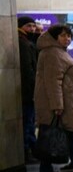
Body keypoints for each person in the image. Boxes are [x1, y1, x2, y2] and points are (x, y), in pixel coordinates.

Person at [33, 24, 73, 172]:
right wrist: (57, 106)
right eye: (63, 36)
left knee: (51, 135)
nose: (67, 39)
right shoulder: (54, 54)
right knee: (72, 136)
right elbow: (53, 82)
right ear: (54, 37)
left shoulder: (55, 52)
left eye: (69, 36)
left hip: (65, 102)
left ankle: (45, 170)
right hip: (63, 104)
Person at [17, 16, 39, 163]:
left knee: (29, 122)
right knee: (28, 123)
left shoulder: (25, 41)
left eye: (33, 26)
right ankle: (28, 152)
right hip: (28, 92)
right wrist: (34, 91)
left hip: (27, 91)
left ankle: (30, 150)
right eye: (28, 26)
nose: (32, 29)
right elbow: (28, 69)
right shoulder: (23, 43)